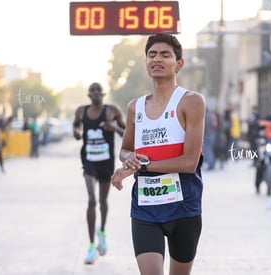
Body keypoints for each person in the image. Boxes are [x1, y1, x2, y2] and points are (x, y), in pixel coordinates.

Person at [111, 33, 205, 275]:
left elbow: (189, 163)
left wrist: (141, 166)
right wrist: (128, 159)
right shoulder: (135, 106)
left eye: (165, 54)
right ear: (146, 62)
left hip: (184, 207)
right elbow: (125, 149)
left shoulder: (191, 102)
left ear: (179, 63)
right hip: (145, 207)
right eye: (152, 54)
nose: (157, 59)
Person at [73, 82, 126, 265]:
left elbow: (126, 133)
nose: (95, 93)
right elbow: (76, 126)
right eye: (92, 91)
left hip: (105, 163)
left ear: (103, 94)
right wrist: (77, 133)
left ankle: (101, 232)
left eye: (98, 90)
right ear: (88, 95)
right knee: (91, 200)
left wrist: (114, 128)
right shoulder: (81, 111)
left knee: (103, 201)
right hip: (89, 161)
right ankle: (90, 247)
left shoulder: (112, 111)